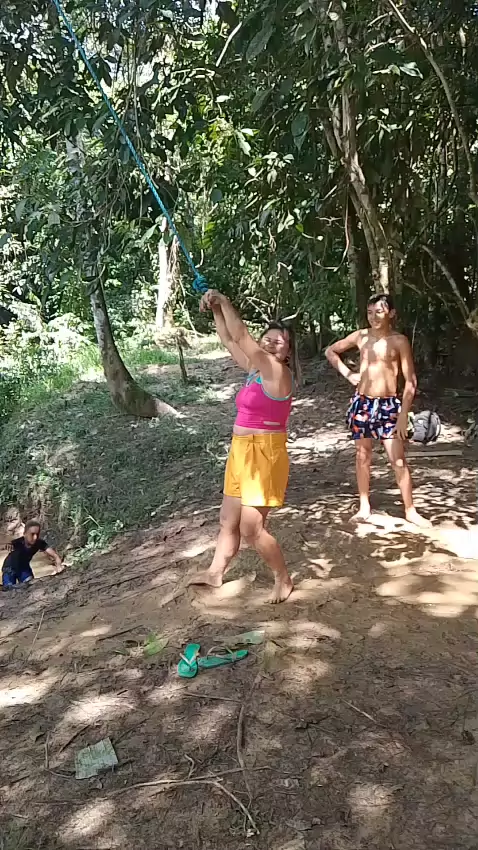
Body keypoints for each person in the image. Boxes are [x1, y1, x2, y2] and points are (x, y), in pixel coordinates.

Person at [188, 289, 294, 603]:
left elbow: (241, 335)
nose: (272, 343)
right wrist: (215, 309)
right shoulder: (254, 369)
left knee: (251, 528)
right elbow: (228, 339)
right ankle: (215, 573)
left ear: (288, 352)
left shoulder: (277, 371)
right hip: (241, 451)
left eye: (279, 341)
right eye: (268, 338)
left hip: (265, 453)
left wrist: (224, 300)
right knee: (227, 520)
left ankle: (283, 577)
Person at [325, 293, 431, 527]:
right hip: (363, 403)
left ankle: (410, 510)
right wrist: (348, 374)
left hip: (388, 406)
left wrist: (403, 415)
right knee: (362, 456)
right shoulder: (361, 336)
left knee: (398, 459)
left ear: (391, 313)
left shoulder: (399, 341)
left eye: (379, 312)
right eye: (370, 312)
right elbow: (331, 351)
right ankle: (364, 506)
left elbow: (410, 381)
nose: (373, 317)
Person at [1, 519, 64, 588]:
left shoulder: (39, 543)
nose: (35, 537)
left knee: (30, 587)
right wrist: (8, 546)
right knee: (9, 590)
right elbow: (7, 545)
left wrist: (59, 565)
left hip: (24, 568)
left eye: (37, 534)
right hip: (9, 568)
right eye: (32, 534)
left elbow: (55, 555)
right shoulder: (17, 543)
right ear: (25, 534)